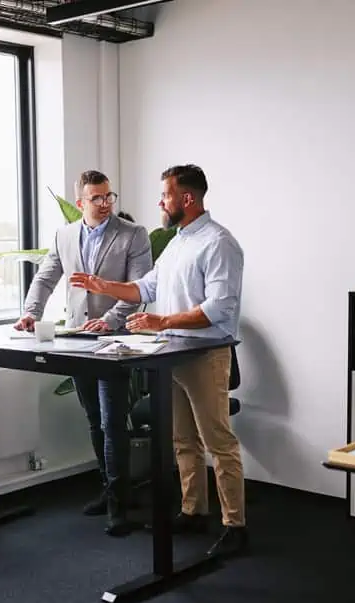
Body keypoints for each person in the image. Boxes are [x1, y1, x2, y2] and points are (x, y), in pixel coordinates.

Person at [69, 164, 248, 559]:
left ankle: (235, 526)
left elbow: (218, 308)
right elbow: (145, 288)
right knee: (182, 439)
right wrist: (103, 285)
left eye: (165, 195)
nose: (160, 201)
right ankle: (192, 510)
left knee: (218, 443)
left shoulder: (219, 243)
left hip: (204, 354)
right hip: (171, 354)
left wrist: (161, 320)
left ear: (187, 198)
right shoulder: (178, 241)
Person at [16, 170, 152, 536]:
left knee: (112, 421)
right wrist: (31, 312)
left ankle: (119, 505)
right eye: (97, 198)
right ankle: (110, 488)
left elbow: (139, 288)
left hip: (117, 340)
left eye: (109, 196)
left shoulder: (133, 235)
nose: (106, 203)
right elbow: (46, 277)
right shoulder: (64, 235)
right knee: (94, 417)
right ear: (81, 204)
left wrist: (110, 319)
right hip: (78, 339)